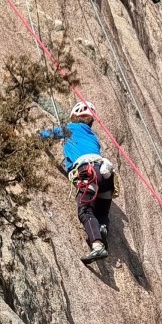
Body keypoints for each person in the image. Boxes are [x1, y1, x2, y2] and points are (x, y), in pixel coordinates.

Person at [39, 101, 117, 264]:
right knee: (102, 213)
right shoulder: (93, 137)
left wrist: (36, 136)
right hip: (105, 176)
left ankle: (97, 245)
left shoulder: (71, 128)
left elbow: (51, 134)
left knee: (85, 210)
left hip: (89, 173)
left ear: (75, 117)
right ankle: (102, 228)